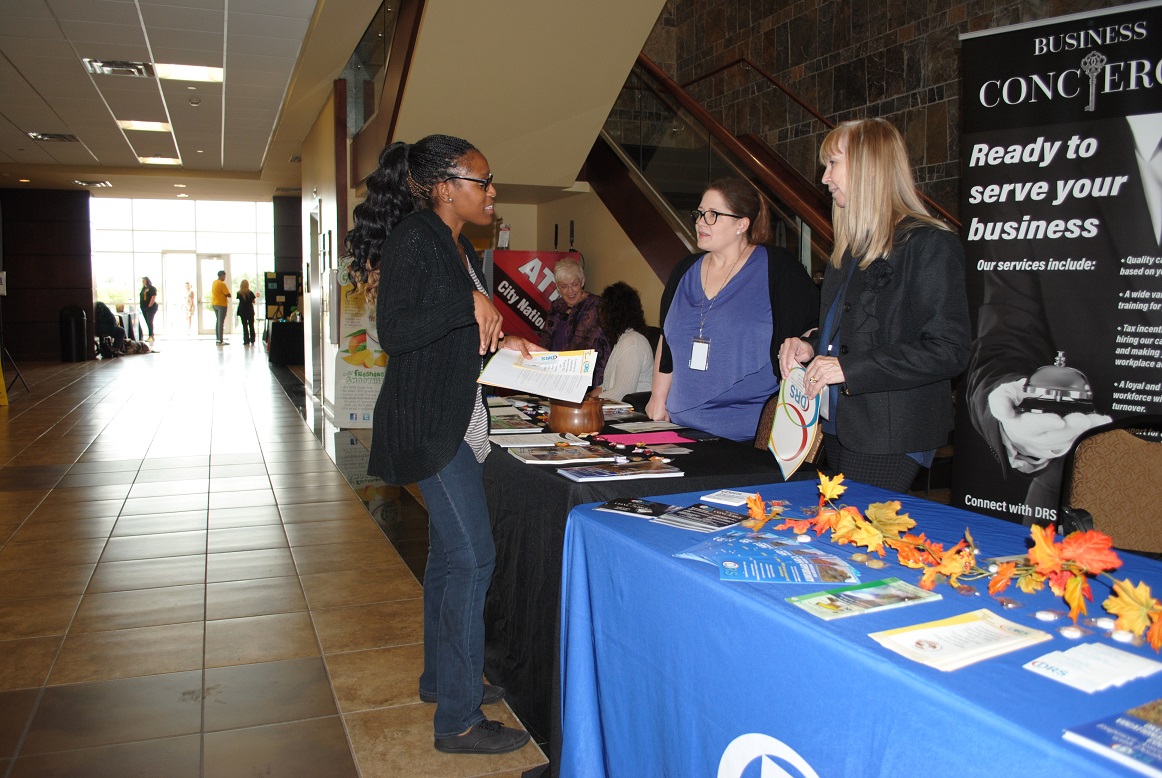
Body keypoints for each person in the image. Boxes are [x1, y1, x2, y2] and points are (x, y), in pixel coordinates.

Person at [344, 134, 533, 756]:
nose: (492, 191)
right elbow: (397, 330)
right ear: (446, 187)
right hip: (429, 426)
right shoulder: (415, 238)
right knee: (475, 560)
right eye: (482, 181)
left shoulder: (454, 243)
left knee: (451, 560)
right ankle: (456, 721)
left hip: (448, 418)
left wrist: (506, 343)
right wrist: (467, 301)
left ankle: (440, 682)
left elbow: (455, 331)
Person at [778, 118, 971, 492]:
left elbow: (949, 350)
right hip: (839, 427)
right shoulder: (848, 249)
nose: (824, 178)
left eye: (833, 163)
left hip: (891, 434)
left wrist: (849, 369)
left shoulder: (929, 245)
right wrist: (810, 344)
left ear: (869, 167)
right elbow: (852, 335)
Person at [647, 178, 818, 441]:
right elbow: (666, 341)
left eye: (713, 215)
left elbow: (815, 328)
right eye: (699, 213)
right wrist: (657, 398)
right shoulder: (684, 270)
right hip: (679, 428)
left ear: (742, 224)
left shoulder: (777, 268)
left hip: (745, 436)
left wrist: (806, 344)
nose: (700, 222)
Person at [537, 257, 610, 393]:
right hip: (553, 374)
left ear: (582, 281)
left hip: (583, 379)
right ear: (558, 287)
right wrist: (538, 365)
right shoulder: (557, 305)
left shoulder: (595, 306)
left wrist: (554, 371)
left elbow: (580, 346)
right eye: (564, 286)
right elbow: (545, 338)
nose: (570, 291)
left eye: (574, 284)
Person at [597, 281, 653, 401]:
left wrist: (587, 403)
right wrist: (586, 397)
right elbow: (606, 386)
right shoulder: (623, 339)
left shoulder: (633, 343)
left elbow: (620, 394)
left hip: (633, 414)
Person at [236, 279, 258, 346]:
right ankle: (252, 340)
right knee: (251, 325)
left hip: (242, 311)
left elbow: (240, 300)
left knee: (244, 326)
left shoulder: (239, 293)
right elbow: (253, 301)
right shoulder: (250, 293)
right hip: (250, 311)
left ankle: (246, 340)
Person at [211, 270, 229, 344]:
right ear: (221, 275)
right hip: (221, 304)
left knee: (218, 321)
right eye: (224, 276)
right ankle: (220, 340)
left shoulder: (214, 282)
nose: (224, 277)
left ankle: (218, 339)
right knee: (221, 322)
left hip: (214, 303)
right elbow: (228, 294)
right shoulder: (222, 284)